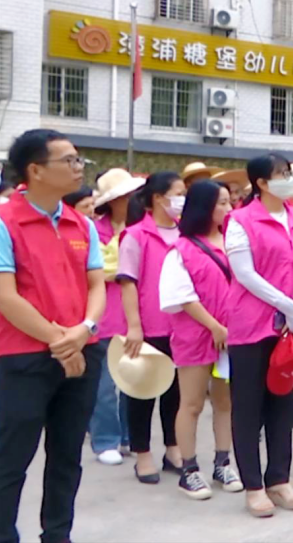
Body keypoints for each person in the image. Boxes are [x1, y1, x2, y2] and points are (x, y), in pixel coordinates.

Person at [0, 130, 105, 543]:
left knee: (66, 457)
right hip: (22, 357)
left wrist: (83, 332)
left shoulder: (82, 223)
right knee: (11, 458)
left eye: (80, 160)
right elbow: (5, 297)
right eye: (70, 161)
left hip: (82, 352)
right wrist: (61, 342)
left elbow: (96, 286)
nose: (79, 168)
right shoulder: (5, 222)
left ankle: (57, 534)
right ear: (35, 170)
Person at [224, 153, 293, 517]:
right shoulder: (240, 220)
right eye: (281, 175)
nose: (289, 181)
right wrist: (287, 304)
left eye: (289, 174)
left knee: (283, 402)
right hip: (252, 326)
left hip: (292, 325)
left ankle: (279, 477)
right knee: (248, 407)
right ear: (262, 183)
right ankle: (253, 485)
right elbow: (245, 274)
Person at [158, 180, 244, 499]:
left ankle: (223, 462)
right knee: (191, 403)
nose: (228, 208)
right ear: (205, 207)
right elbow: (182, 296)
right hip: (195, 337)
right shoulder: (181, 250)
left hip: (231, 336)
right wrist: (214, 327)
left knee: (225, 402)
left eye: (228, 202)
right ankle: (189, 469)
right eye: (221, 203)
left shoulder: (233, 243)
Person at [118, 171, 187, 483]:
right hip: (149, 325)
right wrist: (135, 326)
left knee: (176, 392)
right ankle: (142, 454)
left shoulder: (185, 233)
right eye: (178, 193)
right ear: (159, 198)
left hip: (182, 326)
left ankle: (173, 448)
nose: (182, 199)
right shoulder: (136, 235)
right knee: (143, 392)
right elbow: (128, 283)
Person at [89, 169, 145, 466]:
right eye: (125, 196)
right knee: (105, 384)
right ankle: (105, 439)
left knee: (132, 381)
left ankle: (126, 435)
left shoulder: (144, 229)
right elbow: (103, 270)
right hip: (106, 315)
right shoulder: (94, 230)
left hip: (138, 315)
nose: (131, 200)